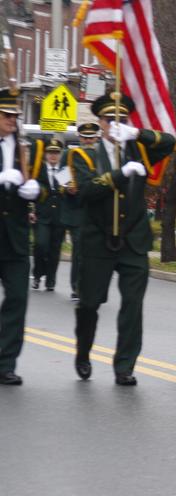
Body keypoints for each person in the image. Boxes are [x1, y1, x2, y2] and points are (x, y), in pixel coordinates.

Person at [69, 92, 176, 386]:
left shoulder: (138, 151)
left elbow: (169, 142)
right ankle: (83, 352)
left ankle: (124, 366)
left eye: (121, 119)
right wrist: (119, 174)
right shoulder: (84, 155)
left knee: (132, 304)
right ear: (100, 123)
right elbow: (87, 192)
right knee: (89, 303)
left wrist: (136, 133)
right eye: (110, 119)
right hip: (98, 240)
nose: (115, 124)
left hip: (133, 240)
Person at [0, 88, 41, 386]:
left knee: (17, 299)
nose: (11, 121)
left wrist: (36, 192)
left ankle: (5, 363)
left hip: (14, 237)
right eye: (6, 115)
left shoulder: (26, 149)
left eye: (15, 116)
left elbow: (49, 184)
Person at [62, 122, 101, 301]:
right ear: (79, 138)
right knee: (79, 250)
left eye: (90, 137)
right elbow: (61, 177)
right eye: (84, 137)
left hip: (97, 211)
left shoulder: (101, 157)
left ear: (96, 138)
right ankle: (77, 287)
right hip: (77, 209)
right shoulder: (70, 154)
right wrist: (68, 187)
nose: (87, 140)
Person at [31, 138, 66, 292]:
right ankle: (38, 275)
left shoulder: (64, 171)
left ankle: (50, 280)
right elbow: (31, 192)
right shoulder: (38, 170)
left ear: (60, 154)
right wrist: (30, 210)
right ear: (45, 154)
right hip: (42, 216)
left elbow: (68, 195)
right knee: (40, 245)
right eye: (50, 152)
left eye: (56, 153)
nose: (53, 156)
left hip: (59, 217)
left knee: (55, 250)